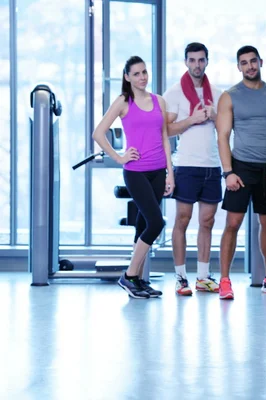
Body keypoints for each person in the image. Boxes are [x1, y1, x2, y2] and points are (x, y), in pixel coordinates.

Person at [216, 45, 266, 300]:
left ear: (261, 62)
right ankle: (225, 280)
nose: (250, 66)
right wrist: (228, 172)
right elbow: (223, 135)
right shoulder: (230, 96)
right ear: (238, 67)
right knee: (233, 223)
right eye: (244, 62)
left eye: (253, 61)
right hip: (240, 166)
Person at [93, 56, 174, 299]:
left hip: (158, 171)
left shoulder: (159, 101)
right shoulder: (123, 102)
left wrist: (170, 172)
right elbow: (98, 133)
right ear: (127, 77)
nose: (142, 77)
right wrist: (119, 157)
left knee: (142, 226)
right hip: (136, 172)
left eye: (144, 72)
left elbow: (164, 139)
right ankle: (129, 276)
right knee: (156, 223)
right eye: (136, 73)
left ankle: (138, 280)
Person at [164, 42, 222, 296]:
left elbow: (226, 130)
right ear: (186, 62)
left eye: (201, 60)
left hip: (211, 166)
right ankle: (180, 278)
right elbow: (165, 130)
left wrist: (214, 116)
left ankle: (202, 277)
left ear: (207, 61)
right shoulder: (174, 93)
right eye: (192, 60)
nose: (197, 64)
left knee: (207, 222)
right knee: (182, 220)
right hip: (186, 165)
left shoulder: (218, 94)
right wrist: (192, 119)